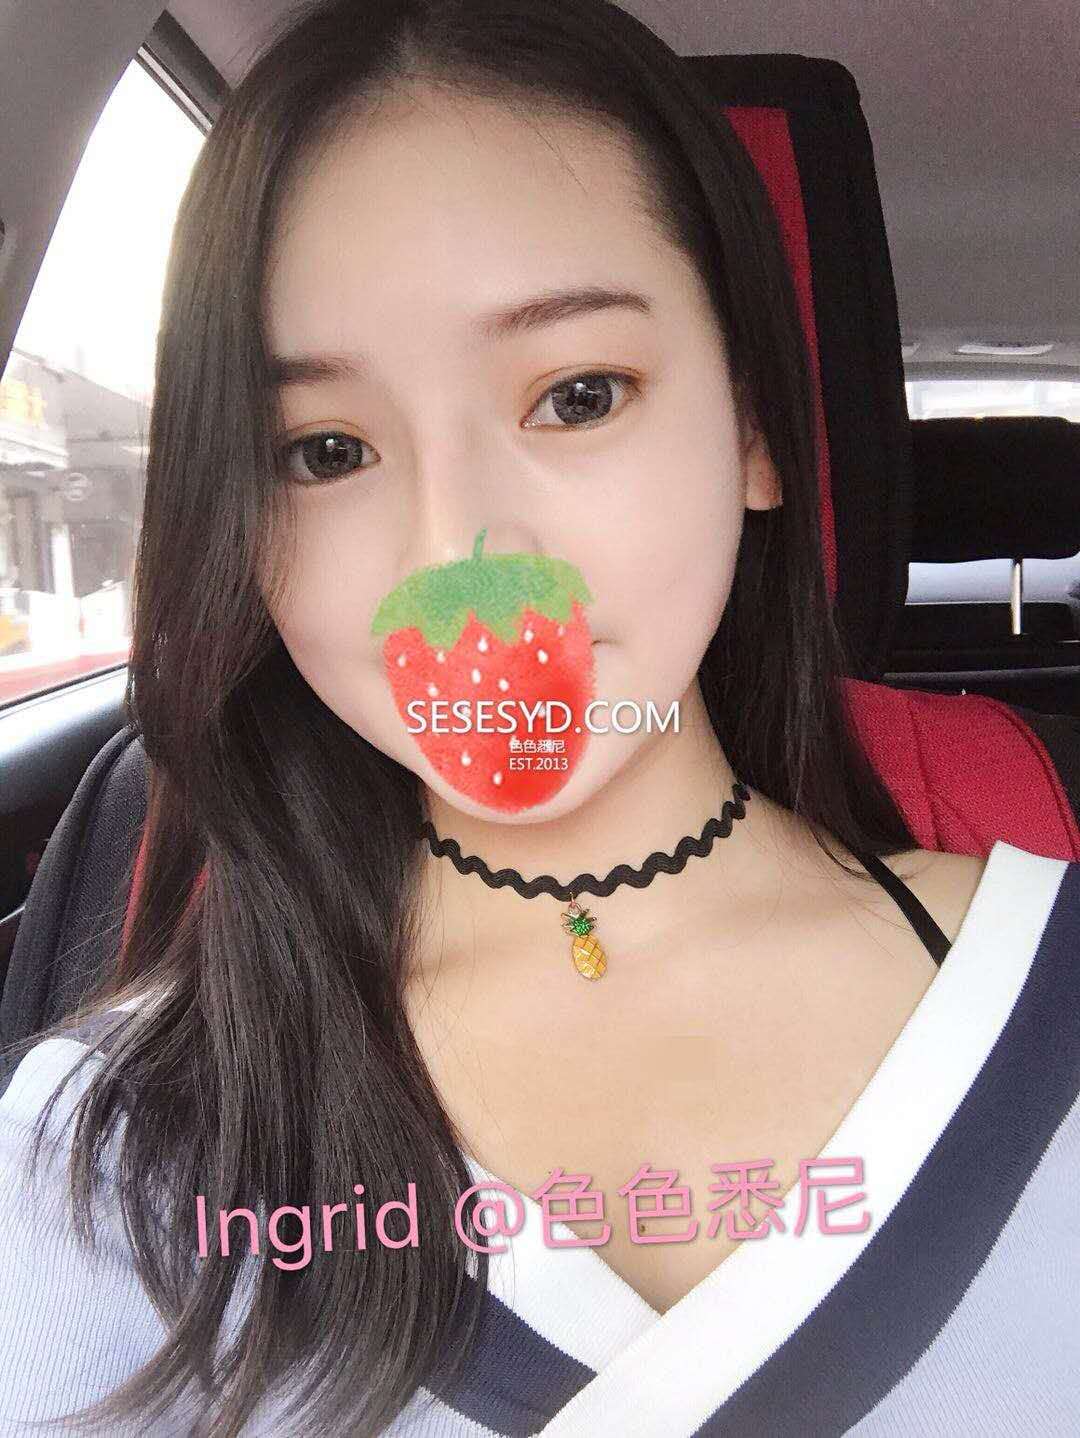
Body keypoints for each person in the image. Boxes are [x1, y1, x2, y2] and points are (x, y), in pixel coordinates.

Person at [1, 0, 1077, 1433]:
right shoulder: (102, 1158)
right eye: (325, 450)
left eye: (577, 395)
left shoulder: (1049, 986)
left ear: (754, 432)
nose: (457, 557)